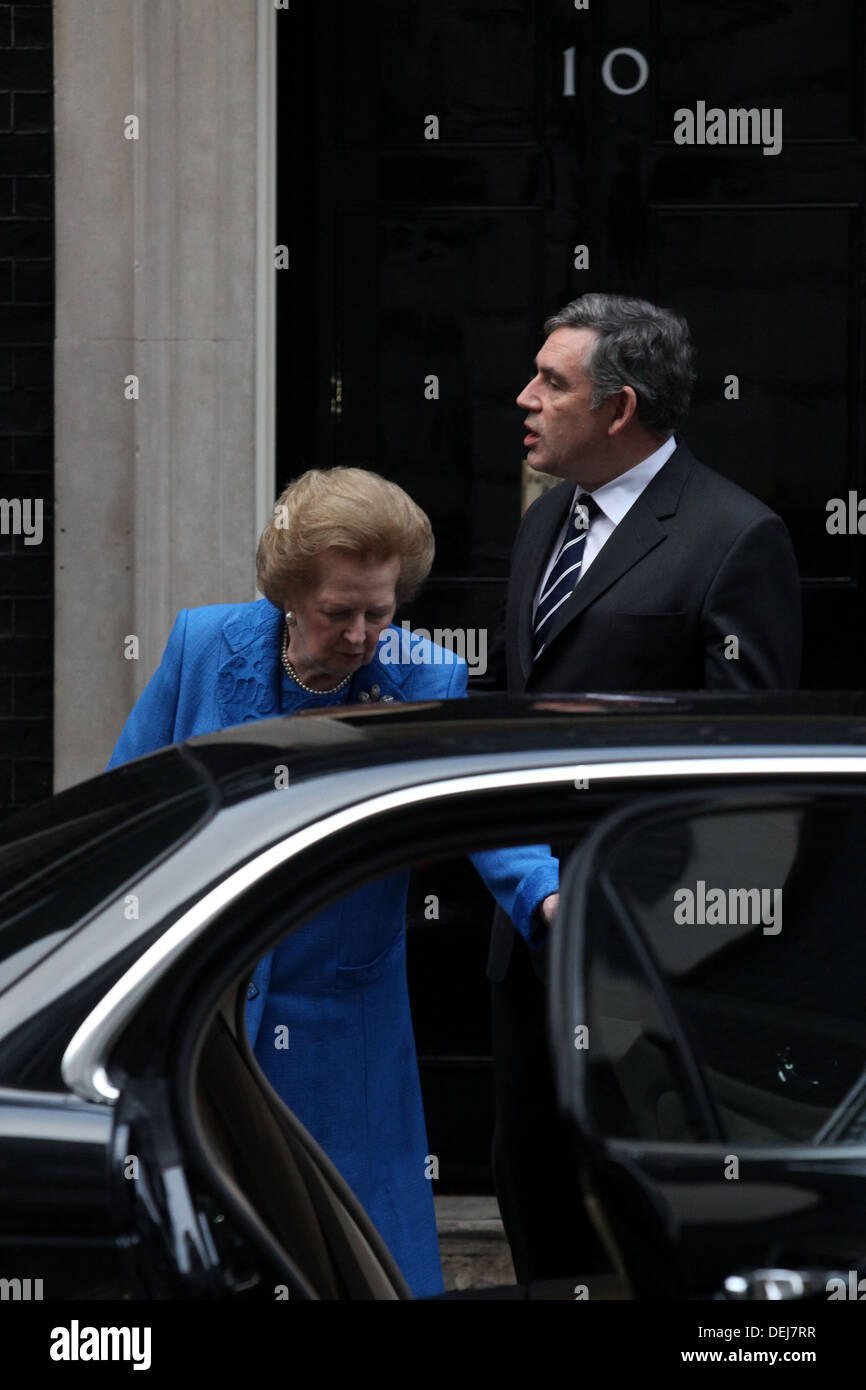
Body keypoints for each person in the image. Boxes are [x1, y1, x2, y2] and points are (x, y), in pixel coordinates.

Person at [106, 466, 559, 1299]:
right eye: (337, 612)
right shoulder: (202, 647)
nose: (360, 635)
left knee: (357, 1248)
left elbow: (484, 809)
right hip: (211, 1007)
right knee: (223, 1239)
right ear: (288, 596)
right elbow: (128, 803)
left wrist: (548, 897)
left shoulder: (424, 678)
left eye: (380, 613)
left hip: (344, 1016)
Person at [477, 293, 802, 1283]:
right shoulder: (543, 527)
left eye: (551, 382)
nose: (522, 398)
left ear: (617, 411)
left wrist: (664, 934)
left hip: (653, 959)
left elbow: (748, 777)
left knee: (649, 1219)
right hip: (529, 941)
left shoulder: (732, 536)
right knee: (531, 1189)